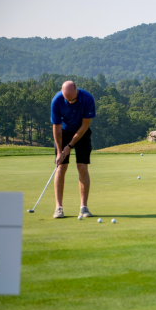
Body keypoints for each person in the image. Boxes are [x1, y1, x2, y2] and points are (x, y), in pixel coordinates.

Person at [51, 81, 96, 218]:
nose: (70, 102)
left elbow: (84, 126)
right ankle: (58, 207)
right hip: (63, 133)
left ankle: (84, 207)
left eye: (73, 100)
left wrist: (69, 146)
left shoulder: (88, 99)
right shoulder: (57, 101)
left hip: (81, 132)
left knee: (82, 167)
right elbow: (57, 128)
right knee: (61, 167)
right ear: (62, 92)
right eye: (67, 100)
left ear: (77, 91)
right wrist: (60, 151)